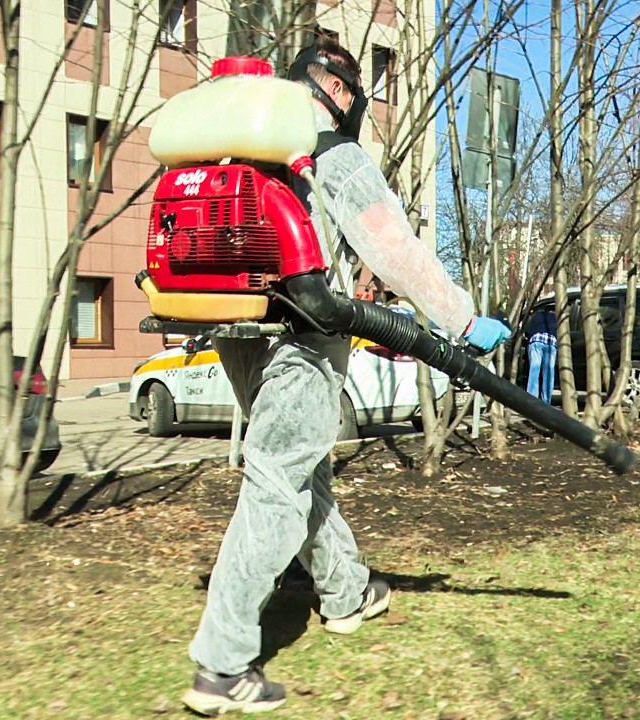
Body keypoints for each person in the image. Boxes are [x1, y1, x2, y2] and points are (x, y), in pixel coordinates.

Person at [181, 38, 511, 716]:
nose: (356, 96)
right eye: (354, 84)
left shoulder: (239, 144)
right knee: (277, 482)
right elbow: (389, 244)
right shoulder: (327, 147)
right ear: (335, 88)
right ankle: (221, 666)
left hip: (239, 328)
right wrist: (459, 317)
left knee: (301, 469)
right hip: (305, 334)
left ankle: (345, 591)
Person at [525, 309, 557, 403]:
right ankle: (546, 402)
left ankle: (531, 401)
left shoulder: (536, 316)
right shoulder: (555, 318)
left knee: (534, 372)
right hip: (551, 343)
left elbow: (528, 330)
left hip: (537, 341)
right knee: (549, 374)